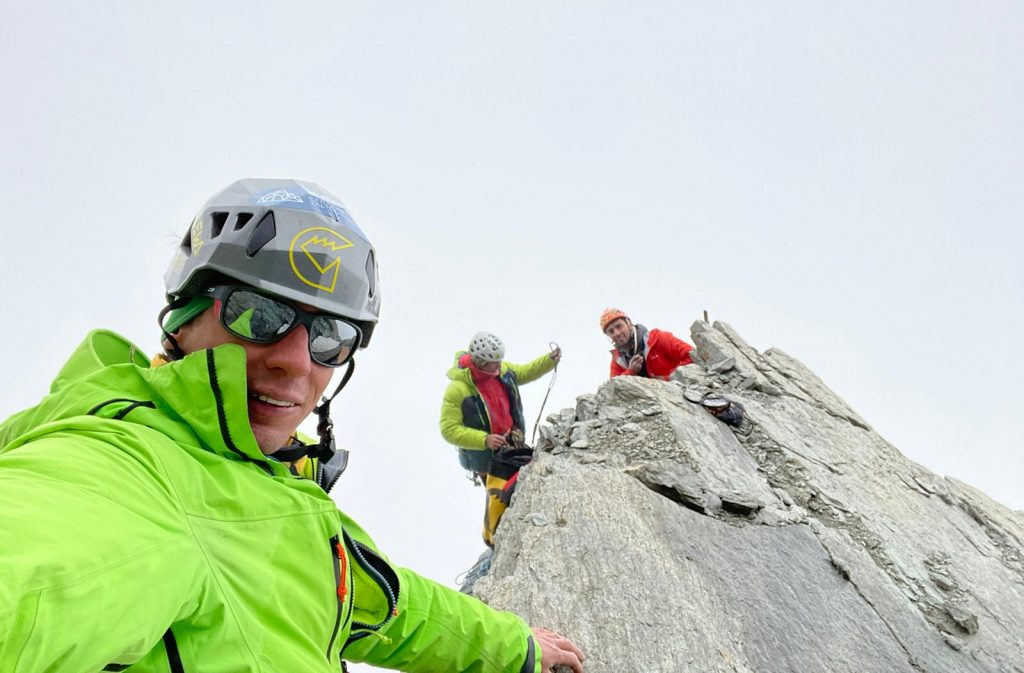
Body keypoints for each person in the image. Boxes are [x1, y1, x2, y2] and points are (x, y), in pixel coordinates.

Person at [0, 179, 584, 673]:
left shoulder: (280, 490)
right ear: (182, 316)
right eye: (259, 315)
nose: (298, 362)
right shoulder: (126, 468)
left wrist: (518, 648)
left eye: (331, 337)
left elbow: (389, 603)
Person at [439, 332, 559, 546]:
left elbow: (525, 372)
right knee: (500, 495)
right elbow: (448, 429)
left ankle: (520, 528)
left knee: (520, 487)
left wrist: (548, 361)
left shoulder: (502, 371)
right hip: (487, 459)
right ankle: (496, 538)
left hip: (512, 443)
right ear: (479, 362)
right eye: (492, 365)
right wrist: (484, 440)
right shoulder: (458, 389)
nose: (498, 369)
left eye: (499, 363)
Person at [600, 307, 695, 380]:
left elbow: (693, 356)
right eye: (611, 331)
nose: (616, 333)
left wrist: (667, 378)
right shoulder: (618, 360)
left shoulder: (657, 339)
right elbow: (613, 389)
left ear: (629, 323)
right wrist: (631, 372)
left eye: (619, 326)